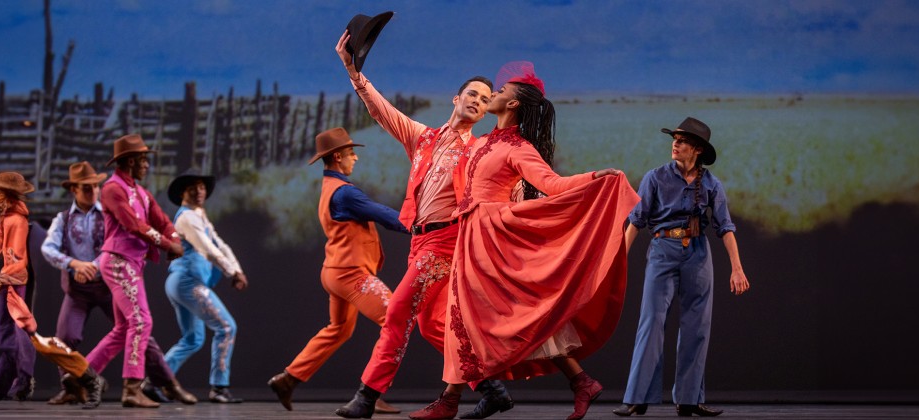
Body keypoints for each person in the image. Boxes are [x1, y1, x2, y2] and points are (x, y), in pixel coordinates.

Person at [411, 62, 640, 420]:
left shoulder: (518, 148)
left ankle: (450, 401)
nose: (494, 95)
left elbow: (553, 185)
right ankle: (581, 381)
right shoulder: (482, 142)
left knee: (479, 314)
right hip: (471, 236)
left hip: (493, 239)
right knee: (481, 314)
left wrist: (596, 177)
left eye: (500, 92)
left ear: (513, 105)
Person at [329, 32, 515, 420]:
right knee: (434, 325)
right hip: (421, 243)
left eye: (484, 99)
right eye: (473, 94)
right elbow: (383, 112)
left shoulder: (479, 150)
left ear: (485, 113)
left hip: (447, 243)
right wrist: (353, 70)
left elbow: (508, 184)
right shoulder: (423, 139)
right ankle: (490, 387)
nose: (478, 101)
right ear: (456, 98)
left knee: (397, 311)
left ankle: (367, 395)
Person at [613, 117, 750, 418]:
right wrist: (618, 260)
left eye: (683, 140)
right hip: (663, 250)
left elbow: (725, 227)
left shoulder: (712, 184)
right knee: (651, 322)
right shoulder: (656, 177)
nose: (675, 144)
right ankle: (637, 397)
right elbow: (636, 221)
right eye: (674, 139)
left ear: (697, 149)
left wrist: (736, 268)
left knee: (696, 326)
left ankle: (689, 399)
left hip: (697, 254)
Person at [268, 127, 408, 413]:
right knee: (397, 319)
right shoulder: (345, 193)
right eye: (351, 153)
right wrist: (420, 226)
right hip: (351, 274)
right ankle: (372, 391)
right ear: (337, 157)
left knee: (339, 329)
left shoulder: (330, 188)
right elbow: (382, 214)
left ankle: (289, 379)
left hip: (334, 272)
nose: (355, 158)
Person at [41, 161, 196, 406]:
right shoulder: (73, 213)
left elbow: (159, 221)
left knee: (132, 329)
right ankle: (89, 385)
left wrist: (173, 238)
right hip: (82, 286)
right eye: (85, 187)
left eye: (94, 186)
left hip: (106, 282)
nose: (92, 191)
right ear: (73, 190)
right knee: (70, 336)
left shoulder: (129, 199)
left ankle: (166, 383)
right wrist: (75, 265)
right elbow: (130, 228)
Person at [0, 171, 107, 409]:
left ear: (7, 196)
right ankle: (5, 384)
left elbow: (19, 261)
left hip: (17, 279)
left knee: (29, 335)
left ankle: (76, 376)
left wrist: (1, 276)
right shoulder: (6, 219)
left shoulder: (17, 222)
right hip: (12, 278)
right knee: (14, 335)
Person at [85, 134, 184, 408]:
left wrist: (173, 239)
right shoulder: (112, 189)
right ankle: (131, 388)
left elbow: (162, 221)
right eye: (143, 159)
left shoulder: (141, 193)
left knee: (124, 327)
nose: (147, 165)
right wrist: (167, 245)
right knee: (142, 321)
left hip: (131, 263)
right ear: (130, 161)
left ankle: (79, 374)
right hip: (118, 260)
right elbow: (134, 225)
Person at [161, 169, 248, 403]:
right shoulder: (187, 217)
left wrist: (236, 268)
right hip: (188, 282)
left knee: (192, 339)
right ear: (182, 192)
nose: (200, 191)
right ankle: (219, 388)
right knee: (226, 328)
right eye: (194, 187)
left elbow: (220, 243)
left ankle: (155, 382)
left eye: (202, 187)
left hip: (182, 282)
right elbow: (208, 249)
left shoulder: (199, 215)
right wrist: (231, 272)